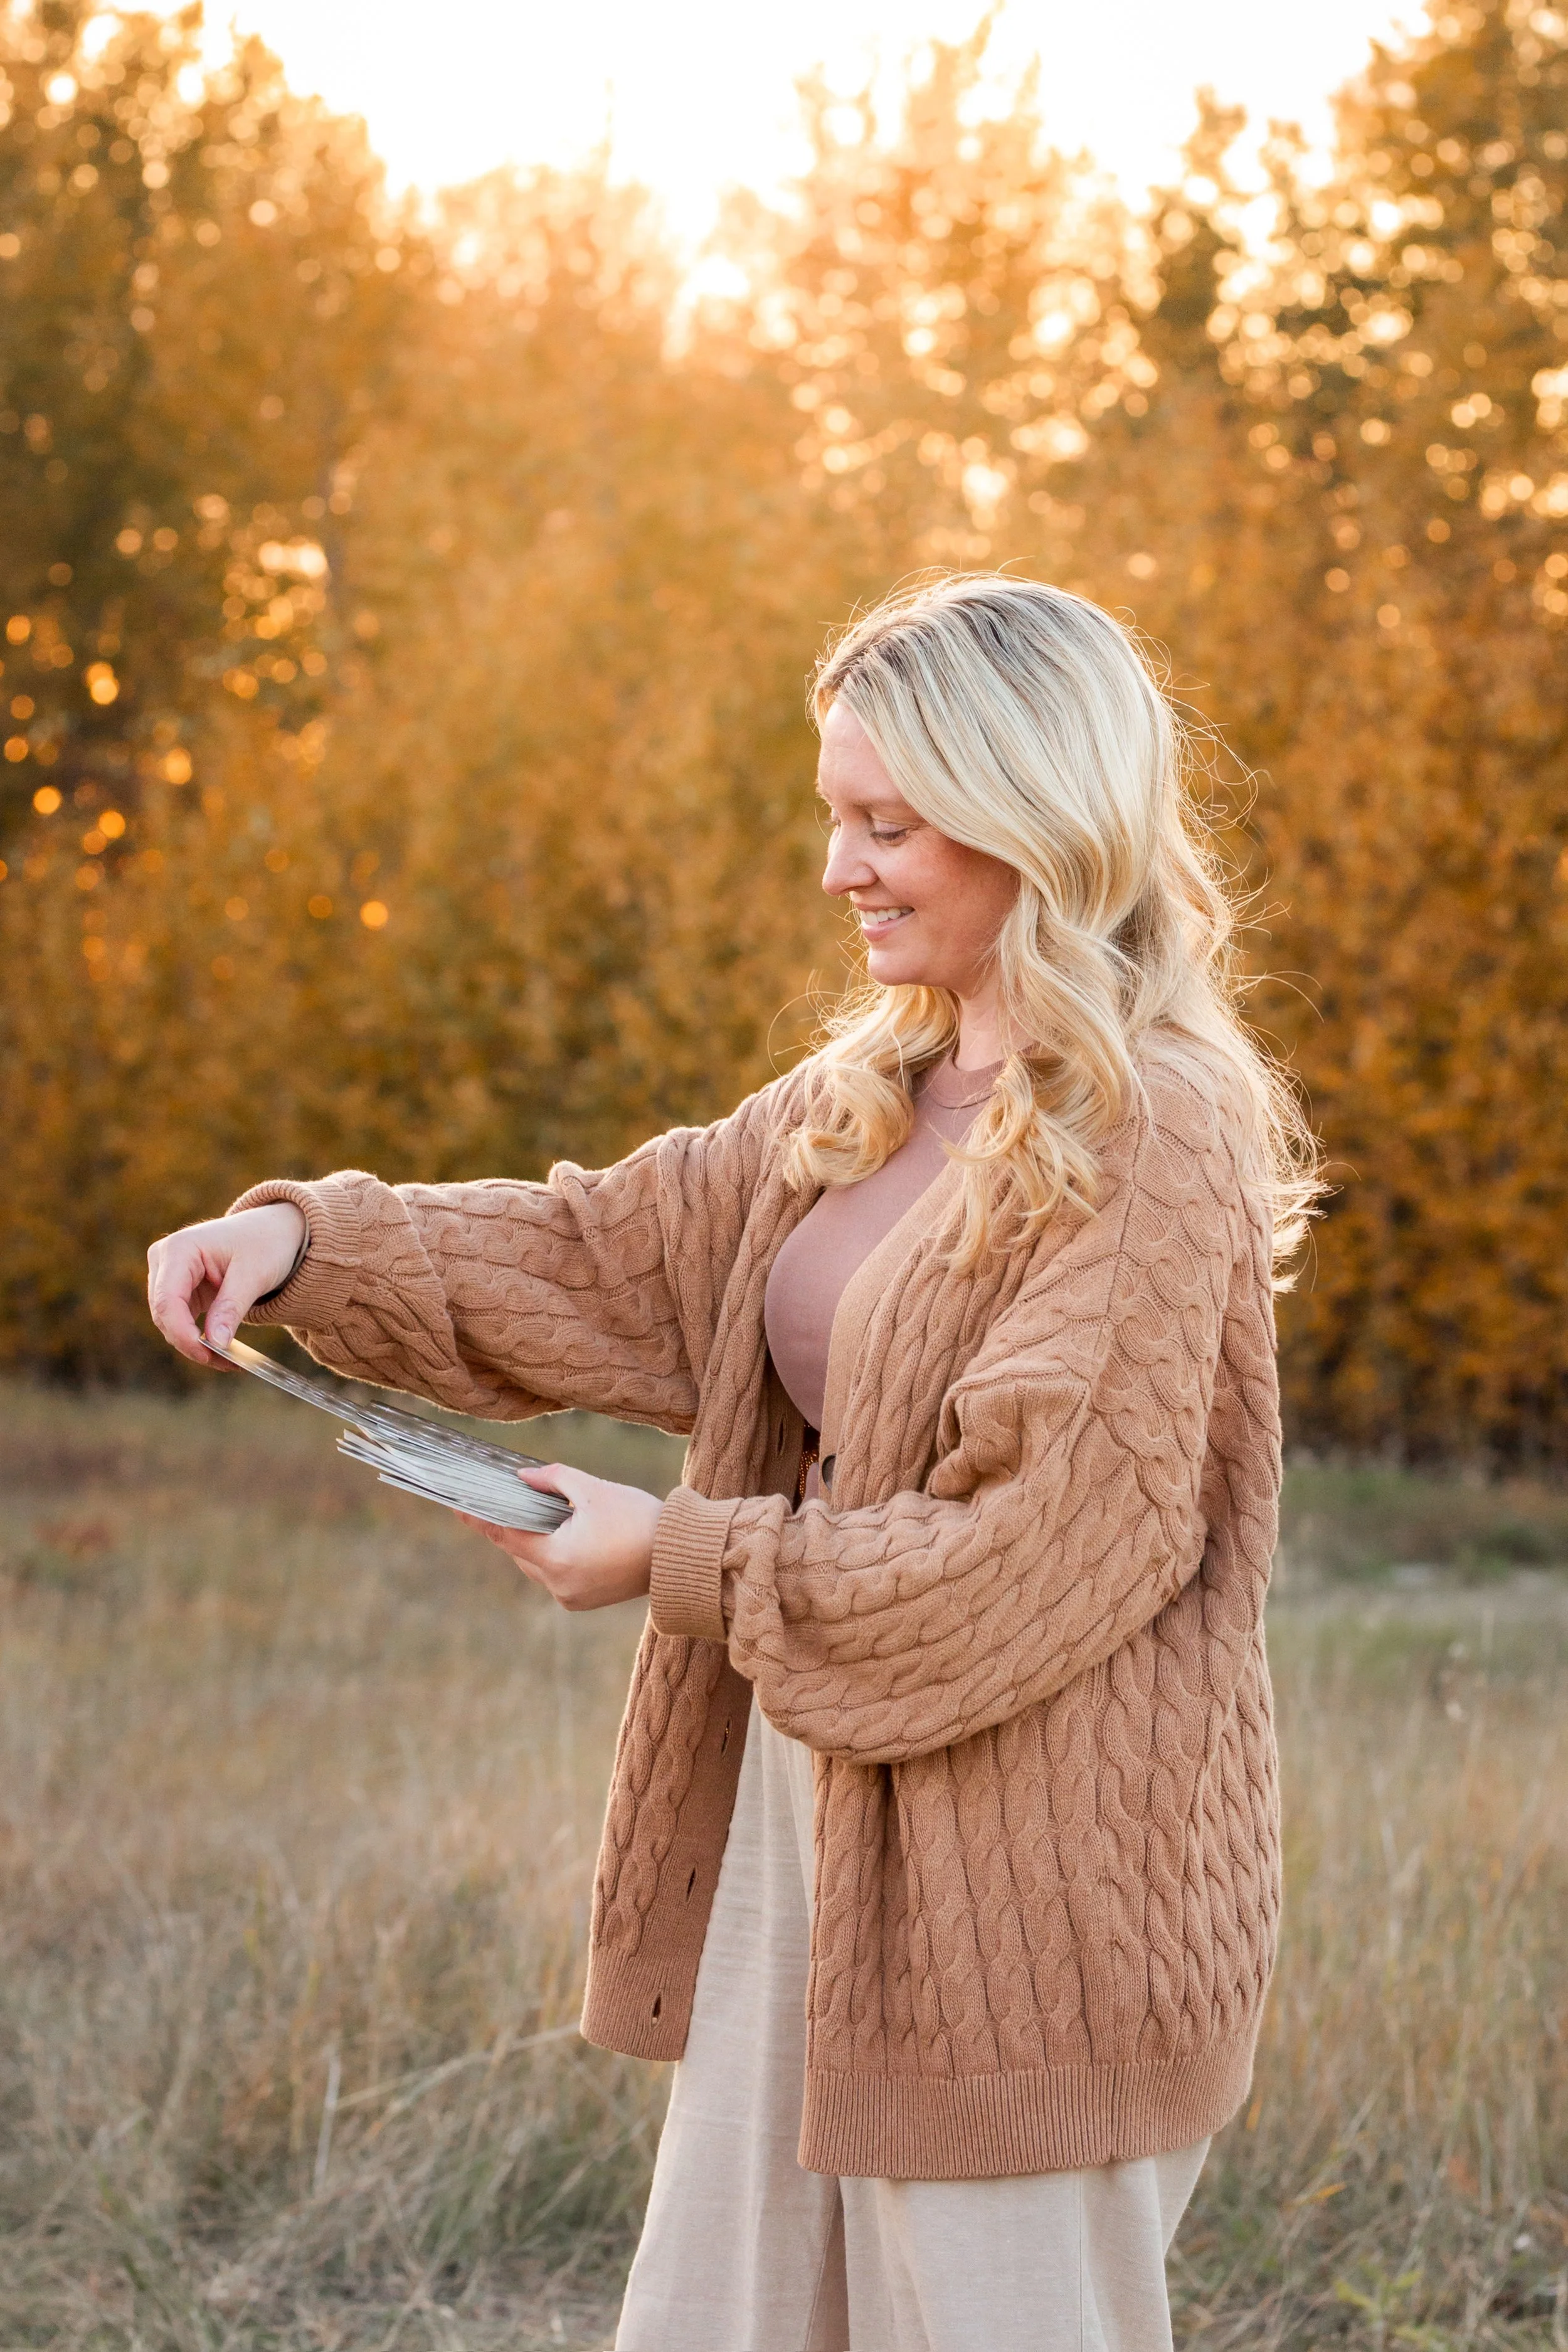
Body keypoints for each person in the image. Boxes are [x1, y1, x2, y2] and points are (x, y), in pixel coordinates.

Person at [148, 573, 1320, 2352]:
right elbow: (605, 1255)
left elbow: (1028, 1555)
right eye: (833, 818)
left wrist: (675, 1557)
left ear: (1032, 816)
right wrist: (310, 1245)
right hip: (805, 1809)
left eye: (888, 825)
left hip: (1035, 1893)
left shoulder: (1153, 1132)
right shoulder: (867, 1094)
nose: (840, 869)